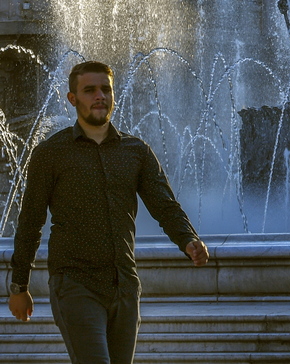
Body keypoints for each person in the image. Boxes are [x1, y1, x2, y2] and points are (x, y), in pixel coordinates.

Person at [7, 61, 209, 363]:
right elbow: (31, 221)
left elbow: (164, 204)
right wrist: (19, 285)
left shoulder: (136, 151)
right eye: (89, 90)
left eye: (105, 89)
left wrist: (188, 240)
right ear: (72, 99)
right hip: (75, 284)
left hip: (124, 285)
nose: (99, 96)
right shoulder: (51, 153)